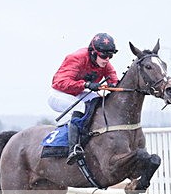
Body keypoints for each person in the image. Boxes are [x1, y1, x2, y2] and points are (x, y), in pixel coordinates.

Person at [48, 33, 120, 163]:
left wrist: (114, 86)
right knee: (81, 106)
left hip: (77, 93)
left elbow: (113, 78)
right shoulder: (76, 58)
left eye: (110, 56)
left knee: (98, 101)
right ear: (93, 52)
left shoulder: (105, 63)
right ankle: (73, 148)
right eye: (104, 55)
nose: (107, 59)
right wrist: (85, 84)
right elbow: (59, 82)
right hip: (58, 94)